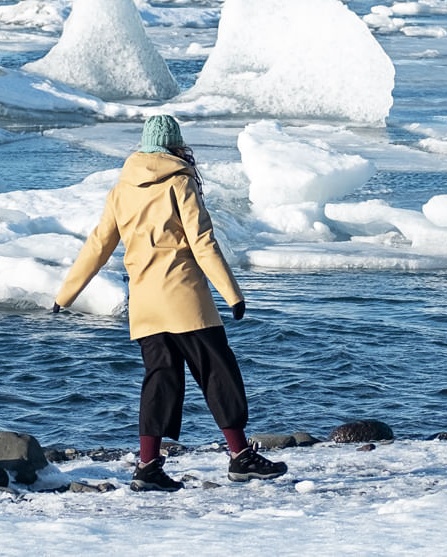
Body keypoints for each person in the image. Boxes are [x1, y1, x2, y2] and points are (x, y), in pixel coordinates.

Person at [54, 113, 288, 491]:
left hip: (144, 304)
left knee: (160, 380)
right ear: (177, 145)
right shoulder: (179, 181)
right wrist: (233, 293)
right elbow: (203, 242)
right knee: (217, 372)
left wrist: (64, 295)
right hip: (184, 298)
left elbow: (98, 245)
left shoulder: (121, 188)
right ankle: (240, 456)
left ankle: (147, 466)